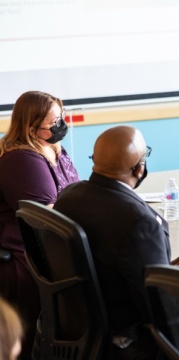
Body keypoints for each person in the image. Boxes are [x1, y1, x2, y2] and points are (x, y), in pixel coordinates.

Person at [53, 125, 179, 359]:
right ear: (139, 167)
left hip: (76, 326)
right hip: (125, 339)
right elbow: (160, 311)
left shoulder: (68, 197)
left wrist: (162, 268)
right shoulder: (141, 223)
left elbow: (111, 259)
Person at [0, 90, 79, 357]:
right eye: (54, 122)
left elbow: (75, 193)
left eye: (61, 117)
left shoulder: (54, 148)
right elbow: (48, 217)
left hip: (51, 246)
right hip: (24, 251)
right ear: (32, 128)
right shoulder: (21, 159)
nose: (61, 125)